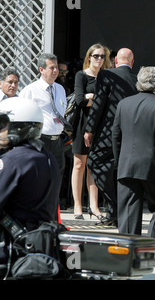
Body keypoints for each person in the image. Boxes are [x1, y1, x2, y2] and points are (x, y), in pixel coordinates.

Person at [112, 66, 155, 267]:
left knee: (129, 213)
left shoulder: (123, 104)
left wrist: (119, 160)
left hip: (127, 164)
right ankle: (150, 253)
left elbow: (115, 136)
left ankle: (127, 257)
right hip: (152, 165)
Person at [0, 98, 61, 265]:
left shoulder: (12, 161)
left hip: (11, 247)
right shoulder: (47, 157)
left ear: (19, 127)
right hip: (40, 244)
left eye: (3, 125)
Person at [84, 48, 138, 226]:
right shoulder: (137, 78)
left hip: (107, 134)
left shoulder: (106, 75)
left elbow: (98, 104)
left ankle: (115, 206)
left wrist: (89, 129)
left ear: (115, 61)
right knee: (122, 173)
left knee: (95, 163)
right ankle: (117, 211)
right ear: (132, 62)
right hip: (130, 135)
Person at [71, 43, 111, 220]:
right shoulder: (82, 75)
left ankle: (94, 206)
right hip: (82, 123)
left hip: (99, 124)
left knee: (93, 165)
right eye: (96, 56)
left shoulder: (106, 76)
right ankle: (78, 206)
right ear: (89, 57)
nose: (99, 59)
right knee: (79, 164)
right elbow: (79, 100)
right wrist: (96, 99)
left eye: (102, 56)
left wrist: (91, 98)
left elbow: (109, 101)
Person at [19, 53, 68, 180]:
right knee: (40, 176)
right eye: (52, 68)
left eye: (56, 67)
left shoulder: (60, 89)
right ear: (42, 70)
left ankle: (54, 200)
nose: (56, 71)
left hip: (57, 140)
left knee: (57, 175)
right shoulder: (30, 91)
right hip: (41, 139)